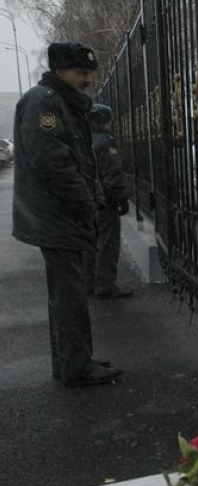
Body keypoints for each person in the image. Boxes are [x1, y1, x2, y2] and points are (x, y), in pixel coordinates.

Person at [11, 42, 123, 387]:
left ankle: (72, 360)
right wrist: (85, 204)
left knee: (65, 294)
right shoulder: (45, 101)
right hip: (56, 215)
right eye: (81, 73)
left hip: (57, 214)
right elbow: (53, 162)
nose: (88, 79)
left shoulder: (61, 102)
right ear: (60, 71)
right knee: (69, 295)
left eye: (90, 73)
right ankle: (77, 366)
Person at [82, 104, 133, 299]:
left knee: (91, 242)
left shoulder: (84, 139)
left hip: (88, 197)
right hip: (105, 199)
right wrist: (121, 198)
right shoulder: (105, 140)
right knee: (108, 243)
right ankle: (105, 284)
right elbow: (112, 173)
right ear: (104, 120)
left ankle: (88, 282)